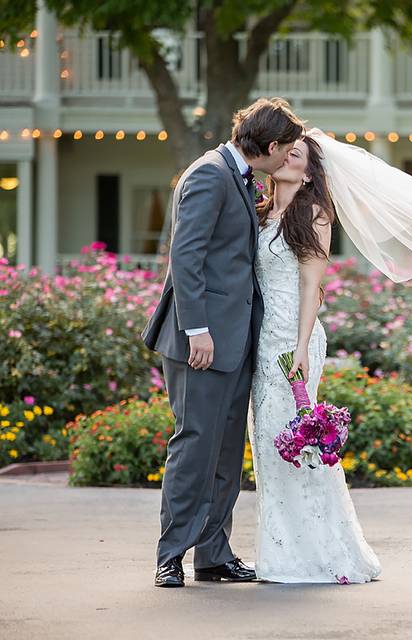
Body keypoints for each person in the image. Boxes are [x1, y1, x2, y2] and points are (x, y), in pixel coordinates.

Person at [142, 97, 303, 588]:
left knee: (228, 451)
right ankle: (171, 556)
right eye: (289, 150)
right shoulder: (209, 174)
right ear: (271, 146)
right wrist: (198, 330)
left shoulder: (240, 175)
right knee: (195, 446)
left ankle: (213, 554)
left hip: (236, 339)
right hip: (202, 341)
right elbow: (184, 256)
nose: (289, 158)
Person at [247, 135, 381, 583]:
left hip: (295, 340)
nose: (286, 156)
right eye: (284, 151)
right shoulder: (261, 213)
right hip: (262, 342)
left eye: (296, 155)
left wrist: (302, 345)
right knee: (269, 446)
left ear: (307, 173)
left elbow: (312, 287)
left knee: (299, 443)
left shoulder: (315, 215)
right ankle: (281, 552)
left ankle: (321, 554)